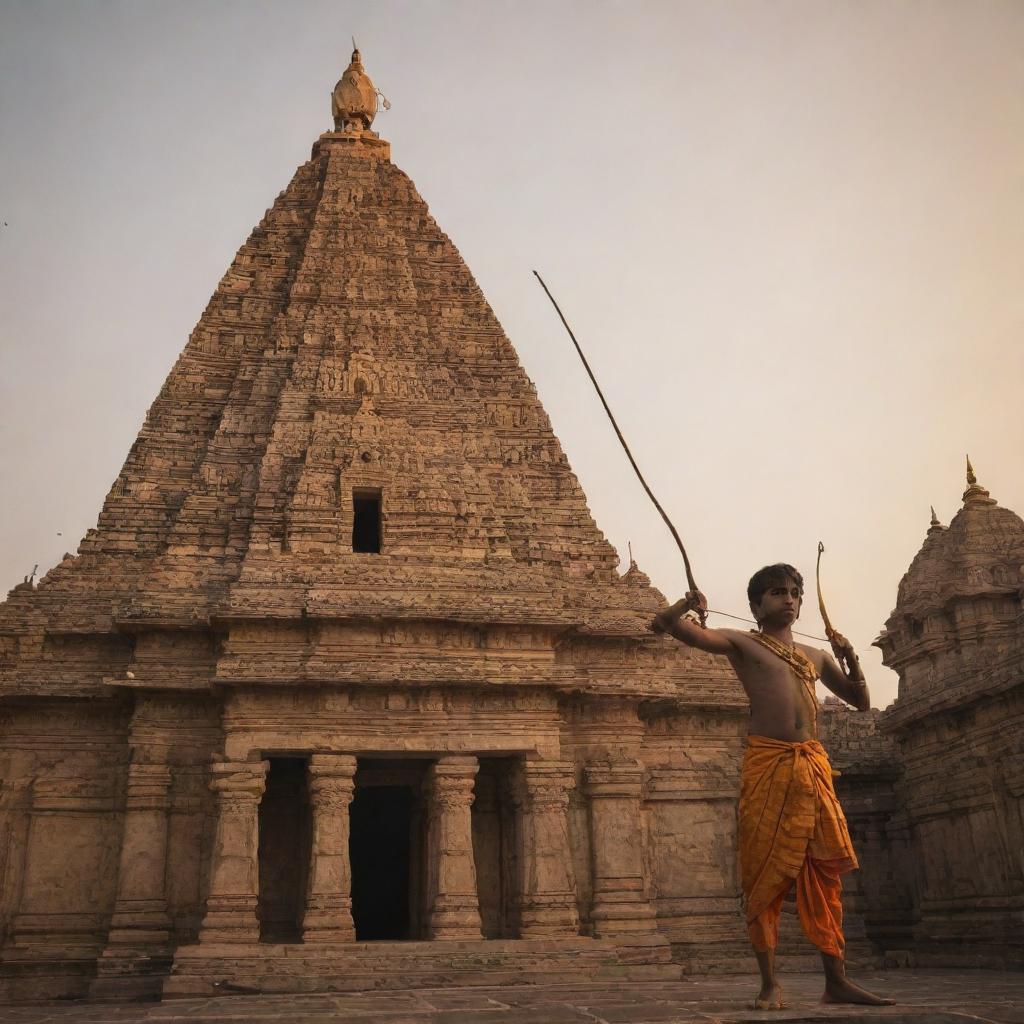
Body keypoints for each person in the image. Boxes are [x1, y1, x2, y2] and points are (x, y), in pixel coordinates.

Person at [652, 564, 894, 1010]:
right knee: (764, 872)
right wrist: (688, 603)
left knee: (822, 873)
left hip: (813, 766)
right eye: (777, 592)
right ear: (755, 605)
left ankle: (836, 981)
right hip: (769, 763)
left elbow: (861, 703)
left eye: (794, 593)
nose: (789, 599)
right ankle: (769, 983)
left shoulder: (815, 657)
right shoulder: (741, 643)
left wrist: (850, 657)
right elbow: (668, 627)